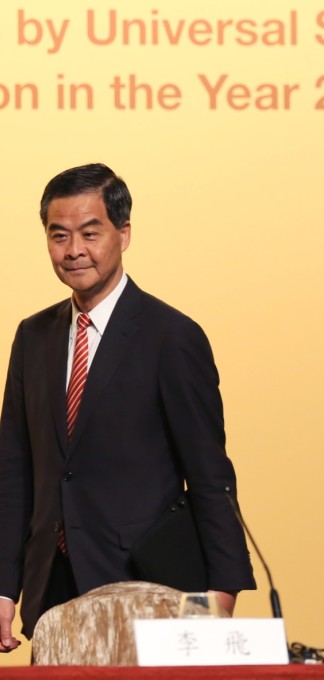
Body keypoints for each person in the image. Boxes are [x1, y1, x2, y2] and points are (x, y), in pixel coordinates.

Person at [0, 163, 255, 653]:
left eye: (90, 233)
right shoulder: (32, 337)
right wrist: (5, 586)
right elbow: (15, 471)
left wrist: (220, 598)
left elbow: (208, 474)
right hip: (52, 584)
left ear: (124, 233)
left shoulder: (172, 337)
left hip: (148, 588)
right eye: (59, 236)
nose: (74, 250)